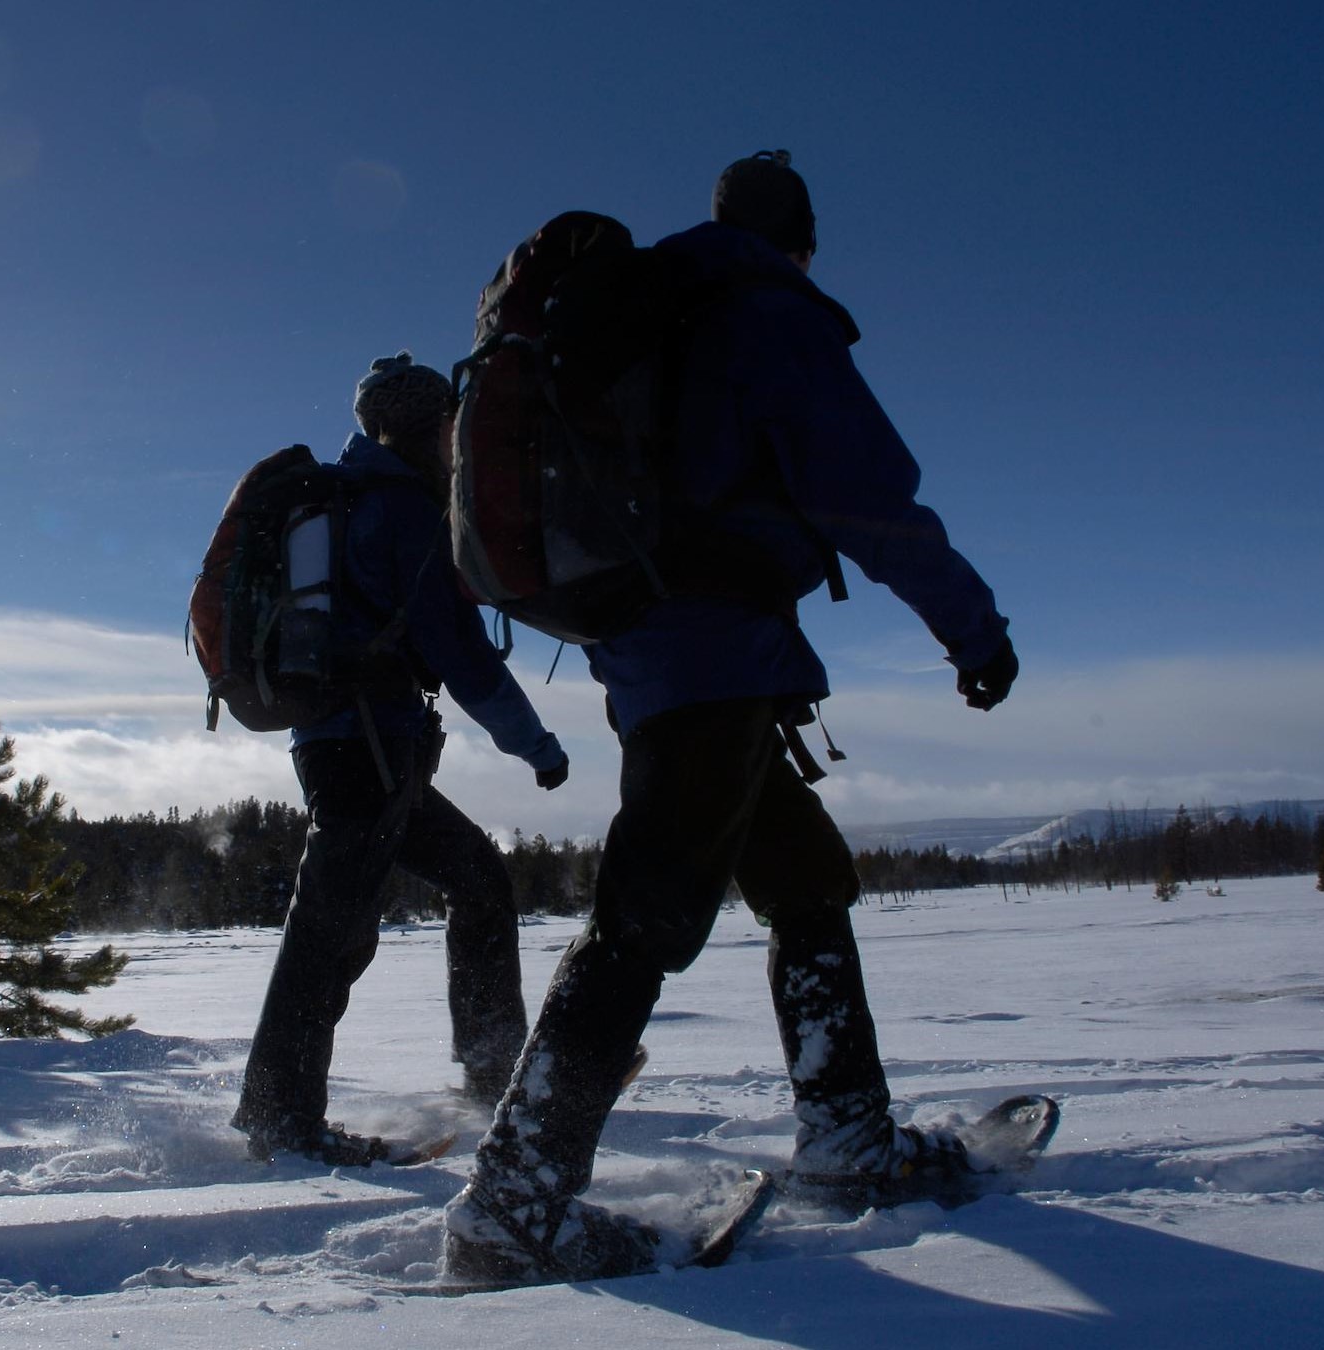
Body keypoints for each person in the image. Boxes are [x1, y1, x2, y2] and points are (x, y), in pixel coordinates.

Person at [441, 152, 1022, 1281]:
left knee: (805, 883)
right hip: (709, 652)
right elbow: (868, 494)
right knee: (644, 918)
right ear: (798, 239)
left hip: (669, 649)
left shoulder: (658, 310)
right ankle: (514, 1204)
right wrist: (975, 631)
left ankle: (849, 1136)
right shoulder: (761, 308)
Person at [232, 352, 572, 1166]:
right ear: (422, 427)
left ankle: (494, 1074)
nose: (457, 439)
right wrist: (536, 745)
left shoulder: (352, 499)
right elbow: (456, 649)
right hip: (366, 749)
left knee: (479, 880)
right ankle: (279, 1115)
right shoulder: (400, 509)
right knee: (332, 928)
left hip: (357, 746)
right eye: (449, 425)